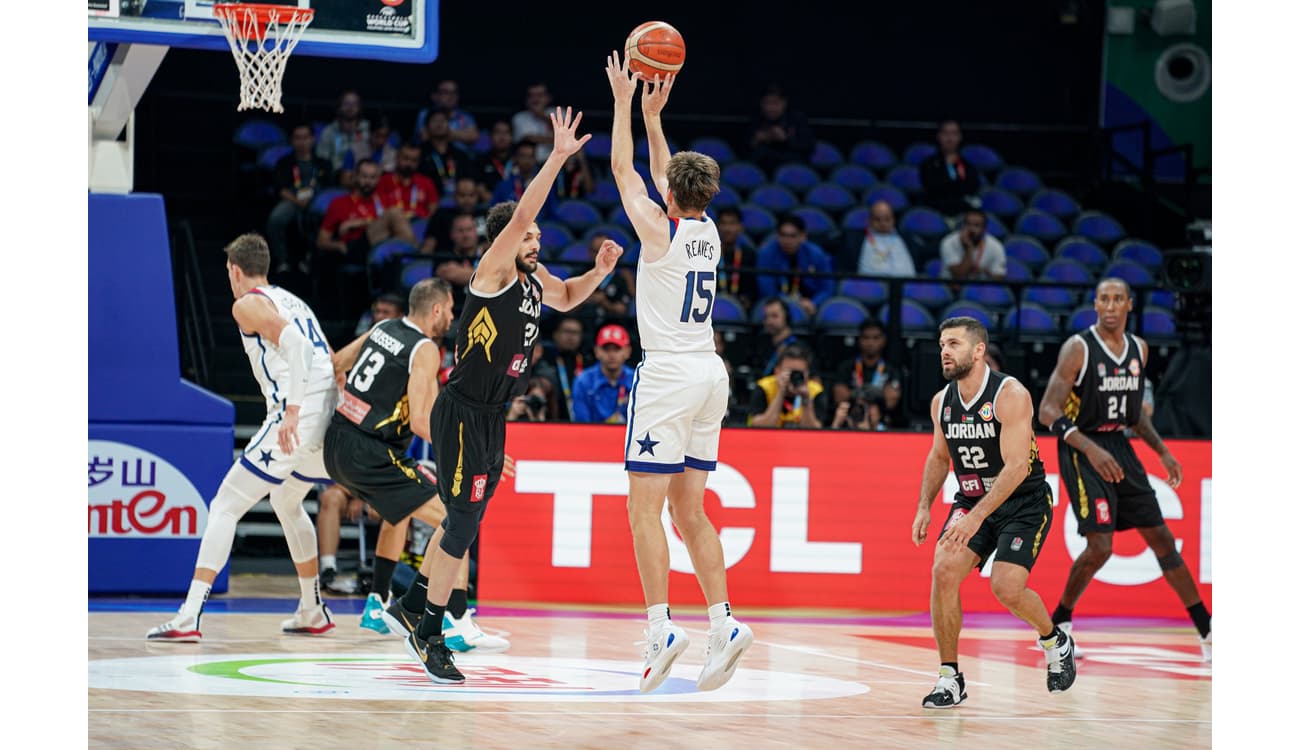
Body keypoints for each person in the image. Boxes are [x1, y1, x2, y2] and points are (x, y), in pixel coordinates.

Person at [383, 106, 623, 683]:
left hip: (492, 415)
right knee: (462, 524)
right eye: (530, 235)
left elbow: (566, 297)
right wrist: (559, 157)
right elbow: (524, 213)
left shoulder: (536, 280)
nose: (537, 241)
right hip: (462, 412)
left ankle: (415, 599)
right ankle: (430, 629)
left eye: (539, 236)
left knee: (471, 515)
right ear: (507, 240)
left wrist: (601, 271)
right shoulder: (491, 272)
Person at [606, 52, 753, 693]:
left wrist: (623, 103)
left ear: (669, 193)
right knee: (691, 510)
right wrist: (655, 118)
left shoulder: (658, 232)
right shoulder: (711, 232)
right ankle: (723, 624)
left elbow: (622, 169)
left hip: (667, 376)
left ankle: (662, 626)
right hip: (710, 374)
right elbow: (668, 178)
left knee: (644, 512)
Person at [147, 233, 337, 642]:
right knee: (286, 500)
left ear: (234, 270)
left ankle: (188, 615)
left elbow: (300, 347)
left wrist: (291, 412)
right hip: (326, 416)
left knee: (225, 505)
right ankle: (312, 608)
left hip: (298, 416)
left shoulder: (247, 303)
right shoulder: (292, 300)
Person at [325, 278, 508, 652]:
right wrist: (472, 449)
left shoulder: (381, 328)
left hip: (337, 442)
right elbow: (421, 421)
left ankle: (376, 603)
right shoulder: (425, 348)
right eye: (452, 309)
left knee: (401, 511)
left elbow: (335, 364)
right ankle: (455, 619)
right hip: (371, 450)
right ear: (437, 309)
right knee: (457, 514)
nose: (454, 316)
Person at [1037, 278, 1209, 660]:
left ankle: (1207, 631)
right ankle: (1059, 623)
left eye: (1118, 299)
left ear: (1129, 305)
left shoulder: (1139, 350)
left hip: (1120, 447)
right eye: (1104, 299)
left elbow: (1133, 415)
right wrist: (1091, 450)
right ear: (1094, 304)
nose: (1111, 306)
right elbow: (1047, 411)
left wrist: (1162, 452)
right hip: (1081, 447)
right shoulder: (1078, 348)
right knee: (1100, 547)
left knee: (1162, 539)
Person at [910, 316, 1076, 707]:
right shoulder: (942, 402)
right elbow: (938, 457)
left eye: (953, 344)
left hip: (1023, 501)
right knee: (943, 570)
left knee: (1006, 586)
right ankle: (950, 678)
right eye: (941, 345)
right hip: (971, 500)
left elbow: (1017, 467)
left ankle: (1055, 641)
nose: (945, 352)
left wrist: (976, 518)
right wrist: (923, 506)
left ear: (978, 350)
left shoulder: (1010, 394)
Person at [267, 125, 334, 274]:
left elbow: (329, 189)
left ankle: (312, 259)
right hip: (293, 200)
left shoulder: (323, 163)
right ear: (292, 141)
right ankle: (282, 260)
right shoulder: (284, 162)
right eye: (298, 138)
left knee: (328, 219)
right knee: (275, 219)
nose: (302, 142)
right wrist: (298, 201)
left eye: (305, 137)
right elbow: (280, 189)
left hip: (317, 203)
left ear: (312, 139)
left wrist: (314, 201)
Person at [754, 214, 835, 318]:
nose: (787, 241)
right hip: (777, 304)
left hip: (810, 305)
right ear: (777, 236)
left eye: (793, 236)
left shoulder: (816, 254)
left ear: (803, 236)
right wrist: (793, 303)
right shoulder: (766, 254)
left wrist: (814, 303)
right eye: (783, 235)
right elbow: (767, 290)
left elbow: (827, 288)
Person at [831, 319, 906, 428]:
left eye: (876, 338)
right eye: (866, 338)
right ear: (859, 339)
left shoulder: (891, 369)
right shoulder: (847, 366)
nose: (870, 343)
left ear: (883, 340)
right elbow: (839, 396)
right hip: (850, 420)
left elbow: (891, 401)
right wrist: (858, 393)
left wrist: (876, 394)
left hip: (882, 423)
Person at [747, 344, 826, 429]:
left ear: (807, 373)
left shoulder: (815, 391)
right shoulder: (764, 387)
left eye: (799, 373)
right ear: (777, 371)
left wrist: (806, 399)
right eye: (789, 372)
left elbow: (815, 433)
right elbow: (759, 428)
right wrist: (780, 393)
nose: (794, 376)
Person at [571, 324, 635, 424]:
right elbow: (581, 424)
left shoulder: (636, 380)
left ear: (627, 351)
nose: (611, 354)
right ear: (597, 351)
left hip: (628, 437)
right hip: (591, 437)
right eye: (606, 349)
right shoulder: (583, 381)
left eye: (617, 349)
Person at [919, 119, 981, 217]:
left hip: (962, 214)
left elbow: (972, 188)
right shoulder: (928, 165)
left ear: (960, 137)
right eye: (946, 133)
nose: (950, 138)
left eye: (954, 133)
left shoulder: (968, 166)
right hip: (935, 214)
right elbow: (932, 188)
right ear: (939, 136)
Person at [746, 84, 814, 173]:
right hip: (762, 167)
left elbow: (808, 146)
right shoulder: (756, 121)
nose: (771, 108)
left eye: (775, 103)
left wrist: (785, 139)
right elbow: (743, 151)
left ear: (784, 103)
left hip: (792, 166)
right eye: (767, 103)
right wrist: (756, 141)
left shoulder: (797, 119)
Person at [939, 209, 1006, 281]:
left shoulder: (996, 246)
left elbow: (1000, 278)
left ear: (984, 229)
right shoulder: (949, 242)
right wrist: (969, 249)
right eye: (968, 224)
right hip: (953, 288)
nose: (971, 229)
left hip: (983, 288)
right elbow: (959, 276)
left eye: (976, 225)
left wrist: (985, 272)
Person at [857, 200, 916, 278]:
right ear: (870, 220)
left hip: (906, 285)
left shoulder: (908, 239)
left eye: (887, 219)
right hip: (870, 287)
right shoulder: (857, 239)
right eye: (878, 219)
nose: (883, 223)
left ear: (893, 219)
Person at [714, 206, 758, 309]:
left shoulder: (749, 254)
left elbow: (752, 289)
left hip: (741, 308)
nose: (727, 229)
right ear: (717, 226)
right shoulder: (708, 252)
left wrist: (747, 299)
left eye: (732, 223)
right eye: (723, 223)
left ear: (740, 227)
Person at [415, 79, 479, 148]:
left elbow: (473, 136)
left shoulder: (465, 116)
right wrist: (462, 134)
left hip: (461, 156)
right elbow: (425, 136)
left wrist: (439, 134)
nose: (451, 96)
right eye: (445, 92)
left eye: (454, 92)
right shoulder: (425, 114)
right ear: (435, 96)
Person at [751, 296, 803, 377]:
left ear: (786, 316)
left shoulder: (799, 347)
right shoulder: (760, 344)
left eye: (774, 316)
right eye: (766, 317)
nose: (769, 321)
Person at [512, 82, 555, 160]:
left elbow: (571, 138)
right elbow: (525, 139)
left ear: (549, 97)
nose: (535, 99)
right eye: (531, 96)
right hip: (529, 164)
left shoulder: (560, 112)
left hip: (556, 162)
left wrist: (542, 116)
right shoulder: (519, 118)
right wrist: (555, 141)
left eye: (540, 95)